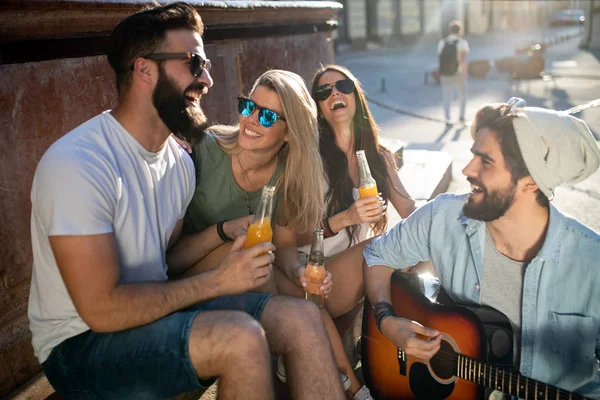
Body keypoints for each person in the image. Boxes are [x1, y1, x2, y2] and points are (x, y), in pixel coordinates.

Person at [27, 4, 345, 400]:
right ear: (144, 69)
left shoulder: (177, 161)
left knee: (301, 318)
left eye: (207, 64)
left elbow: (168, 261)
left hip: (157, 317)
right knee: (242, 339)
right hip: (80, 346)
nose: (208, 79)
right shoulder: (80, 163)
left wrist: (225, 239)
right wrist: (218, 280)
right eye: (194, 64)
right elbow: (102, 311)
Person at [363, 98, 600, 398]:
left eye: (485, 162)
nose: (466, 169)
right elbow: (377, 256)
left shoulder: (591, 262)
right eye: (473, 155)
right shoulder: (444, 217)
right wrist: (388, 322)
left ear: (530, 182)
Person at [168, 68, 367, 397]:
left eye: (268, 116)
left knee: (304, 296)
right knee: (261, 261)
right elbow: (169, 259)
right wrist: (223, 231)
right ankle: (346, 384)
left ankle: (339, 380)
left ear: (290, 133)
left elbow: (286, 245)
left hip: (252, 275)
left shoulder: (290, 173)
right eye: (248, 107)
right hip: (189, 279)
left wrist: (297, 270)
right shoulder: (205, 150)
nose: (249, 120)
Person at [437, 20, 470, 125]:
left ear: (450, 31)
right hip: (458, 73)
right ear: (460, 31)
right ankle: (461, 117)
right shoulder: (462, 42)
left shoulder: (443, 42)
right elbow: (463, 59)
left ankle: (447, 119)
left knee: (446, 97)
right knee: (462, 96)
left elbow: (439, 57)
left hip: (445, 74)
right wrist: (464, 73)